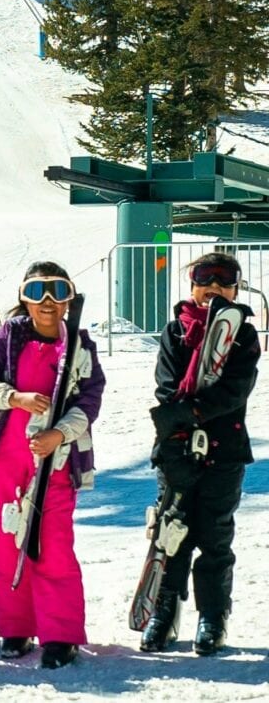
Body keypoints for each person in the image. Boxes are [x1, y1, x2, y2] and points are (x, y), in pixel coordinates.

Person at [0, 262, 104, 669]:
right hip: (7, 457)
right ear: (24, 297)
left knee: (53, 544)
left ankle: (60, 634)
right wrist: (15, 398)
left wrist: (59, 434)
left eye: (58, 291)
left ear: (69, 299)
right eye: (39, 291)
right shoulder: (6, 339)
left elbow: (90, 399)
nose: (49, 302)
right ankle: (16, 626)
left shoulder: (80, 346)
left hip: (55, 459)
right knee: (10, 539)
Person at [140, 252, 260, 656]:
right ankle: (164, 611)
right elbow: (166, 384)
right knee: (171, 531)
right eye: (203, 277)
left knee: (214, 534)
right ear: (191, 285)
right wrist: (178, 418)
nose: (213, 286)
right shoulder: (175, 331)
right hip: (176, 448)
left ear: (236, 289)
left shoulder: (243, 334)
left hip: (224, 448)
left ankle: (213, 616)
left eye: (224, 281)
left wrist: (190, 412)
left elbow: (235, 390)